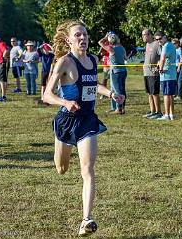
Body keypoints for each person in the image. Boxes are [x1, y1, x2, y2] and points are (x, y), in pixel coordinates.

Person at [43, 19, 124, 236]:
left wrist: (111, 94)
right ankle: (60, 151)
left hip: (88, 120)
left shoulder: (93, 59)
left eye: (85, 35)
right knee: (62, 169)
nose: (83, 38)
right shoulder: (64, 62)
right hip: (67, 121)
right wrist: (65, 102)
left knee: (87, 170)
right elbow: (46, 95)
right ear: (69, 40)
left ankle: (86, 219)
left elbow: (92, 85)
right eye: (78, 35)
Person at [98, 32, 127, 114]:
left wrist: (106, 36)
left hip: (115, 71)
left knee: (116, 90)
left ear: (110, 41)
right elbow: (125, 57)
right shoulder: (122, 48)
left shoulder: (111, 49)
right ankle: (120, 108)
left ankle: (118, 109)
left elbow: (100, 42)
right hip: (123, 71)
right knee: (121, 89)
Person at [155, 31, 177, 121]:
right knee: (170, 95)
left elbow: (163, 58)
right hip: (171, 74)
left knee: (166, 95)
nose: (158, 41)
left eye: (160, 38)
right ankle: (171, 114)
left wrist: (160, 68)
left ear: (165, 37)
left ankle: (167, 115)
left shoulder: (166, 46)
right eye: (157, 39)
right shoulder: (169, 45)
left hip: (167, 75)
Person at [141, 29, 162, 119]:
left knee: (154, 93)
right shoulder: (147, 45)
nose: (143, 37)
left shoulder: (156, 44)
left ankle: (158, 112)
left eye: (144, 35)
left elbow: (162, 56)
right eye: (142, 35)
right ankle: (152, 111)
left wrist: (158, 67)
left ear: (150, 35)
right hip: (146, 72)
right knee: (149, 93)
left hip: (154, 73)